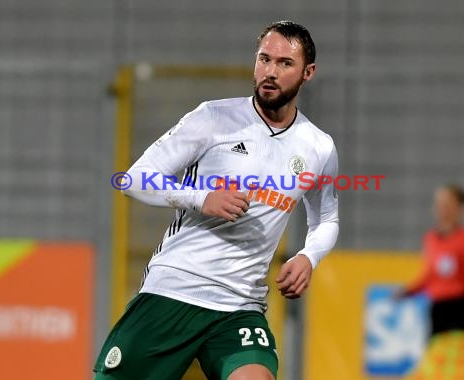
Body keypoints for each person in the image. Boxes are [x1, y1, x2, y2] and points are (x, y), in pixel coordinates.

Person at [94, 21, 339, 380]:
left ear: (308, 73)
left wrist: (308, 256)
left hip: (240, 307)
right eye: (264, 59)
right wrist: (199, 198)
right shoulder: (213, 118)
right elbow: (133, 179)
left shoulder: (319, 147)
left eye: (285, 63)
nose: (270, 72)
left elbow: (326, 219)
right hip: (176, 289)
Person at [397, 185, 464, 380]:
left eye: (447, 205)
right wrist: (408, 291)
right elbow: (430, 276)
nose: (442, 209)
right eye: (439, 205)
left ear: (459, 209)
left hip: (460, 312)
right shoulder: (431, 239)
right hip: (438, 312)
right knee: (434, 370)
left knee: (457, 371)